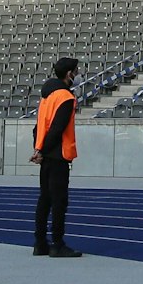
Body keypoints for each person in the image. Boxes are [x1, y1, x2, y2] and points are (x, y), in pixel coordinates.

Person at [31, 57, 82, 258]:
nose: (78, 75)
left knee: (44, 199)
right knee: (59, 201)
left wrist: (38, 150)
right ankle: (57, 244)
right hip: (58, 155)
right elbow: (57, 128)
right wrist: (43, 151)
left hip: (46, 155)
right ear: (69, 74)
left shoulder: (46, 96)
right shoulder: (65, 97)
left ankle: (40, 243)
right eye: (76, 71)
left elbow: (39, 127)